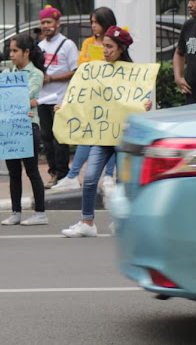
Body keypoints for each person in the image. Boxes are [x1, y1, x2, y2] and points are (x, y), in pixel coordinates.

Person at [62, 26, 153, 238]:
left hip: (124, 136)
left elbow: (141, 98)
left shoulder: (134, 73)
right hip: (102, 135)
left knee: (123, 181)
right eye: (104, 46)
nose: (105, 50)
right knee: (91, 177)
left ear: (121, 49)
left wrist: (145, 104)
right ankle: (87, 222)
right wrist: (66, 108)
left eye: (110, 47)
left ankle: (121, 222)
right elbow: (86, 97)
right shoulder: (96, 71)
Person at [51, 7, 117, 194]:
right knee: (86, 134)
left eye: (96, 22)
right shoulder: (88, 42)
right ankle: (73, 176)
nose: (93, 26)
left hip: (110, 96)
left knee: (110, 135)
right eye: (92, 23)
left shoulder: (116, 40)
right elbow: (81, 65)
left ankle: (109, 176)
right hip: (91, 95)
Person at [0, 34, 47, 226]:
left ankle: (40, 213)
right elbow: (0, 98)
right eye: (10, 51)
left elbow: (23, 96)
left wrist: (25, 101)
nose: (11, 55)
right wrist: (25, 102)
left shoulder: (36, 74)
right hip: (11, 126)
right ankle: (16, 212)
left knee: (32, 170)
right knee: (13, 172)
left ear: (26, 52)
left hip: (28, 126)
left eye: (15, 51)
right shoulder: (5, 73)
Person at [36, 5, 79, 189]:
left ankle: (63, 175)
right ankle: (53, 173)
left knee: (59, 139)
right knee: (46, 138)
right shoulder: (39, 46)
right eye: (43, 22)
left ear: (57, 23)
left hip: (60, 99)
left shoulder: (67, 45)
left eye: (49, 22)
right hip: (42, 99)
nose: (46, 26)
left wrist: (52, 78)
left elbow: (75, 71)